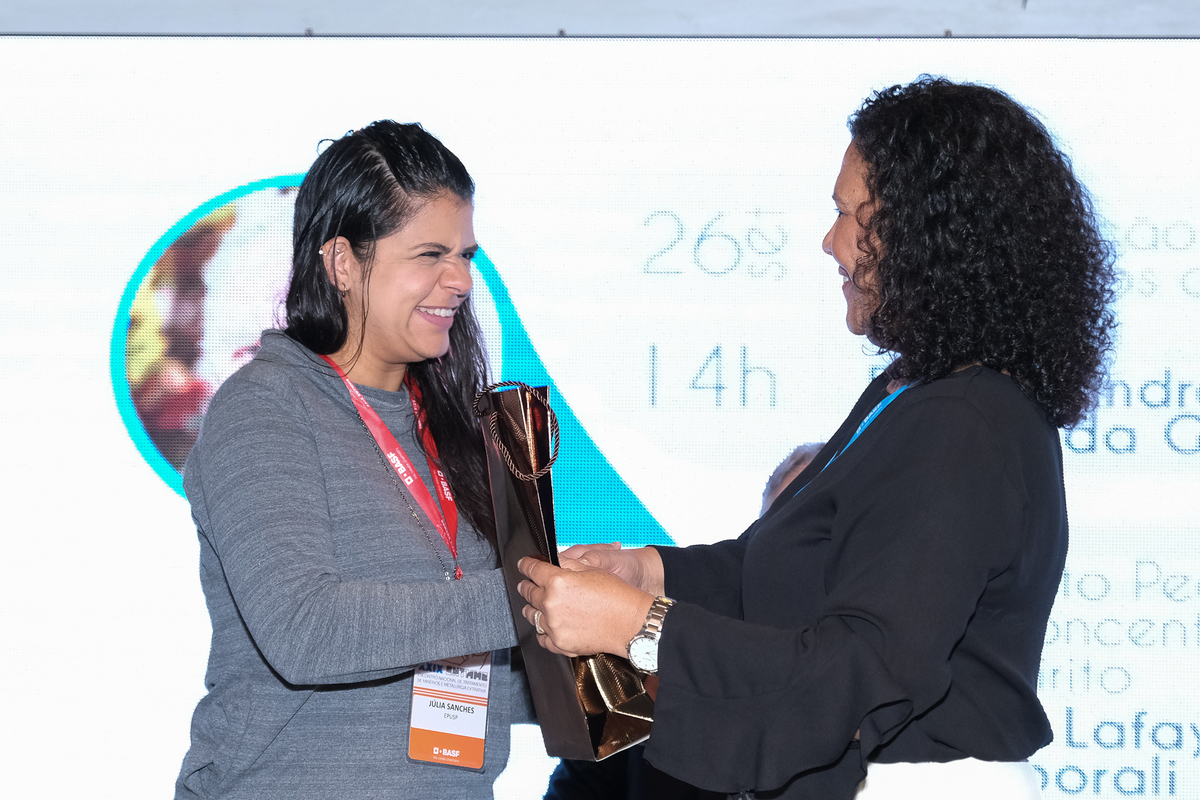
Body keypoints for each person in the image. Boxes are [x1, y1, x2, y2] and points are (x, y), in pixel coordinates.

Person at [517, 77, 1115, 799]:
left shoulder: (965, 427)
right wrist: (652, 573)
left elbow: (860, 670)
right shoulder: (918, 392)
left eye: (847, 215)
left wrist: (644, 628)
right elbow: (789, 572)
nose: (829, 242)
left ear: (926, 234)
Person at [175, 121, 527, 799]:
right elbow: (307, 630)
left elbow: (486, 666)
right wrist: (537, 600)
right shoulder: (265, 407)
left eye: (466, 255)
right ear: (341, 263)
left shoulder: (460, 427)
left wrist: (639, 649)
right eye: (430, 254)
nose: (459, 279)